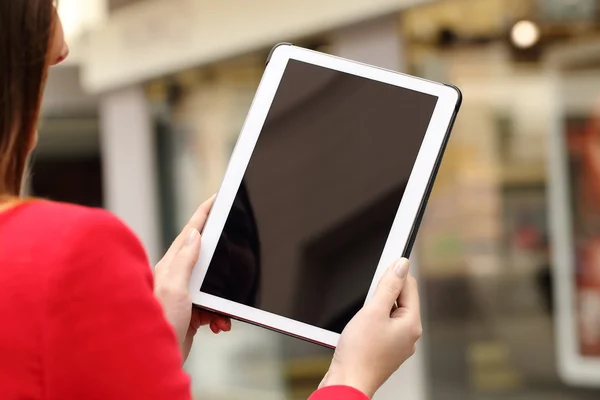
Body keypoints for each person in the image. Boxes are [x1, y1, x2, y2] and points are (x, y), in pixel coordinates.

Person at [0, 2, 423, 399]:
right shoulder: (66, 253)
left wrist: (148, 343)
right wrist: (351, 377)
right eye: (49, 4)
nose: (61, 46)